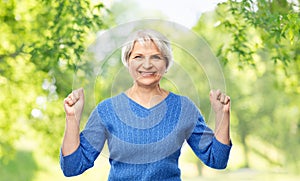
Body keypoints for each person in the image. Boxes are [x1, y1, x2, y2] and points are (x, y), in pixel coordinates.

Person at [60, 29, 232, 180]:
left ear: (166, 64)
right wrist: (72, 118)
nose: (147, 64)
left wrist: (222, 115)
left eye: (156, 57)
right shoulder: (107, 110)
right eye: (138, 57)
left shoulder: (184, 108)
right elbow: (72, 167)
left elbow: (217, 159)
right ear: (128, 62)